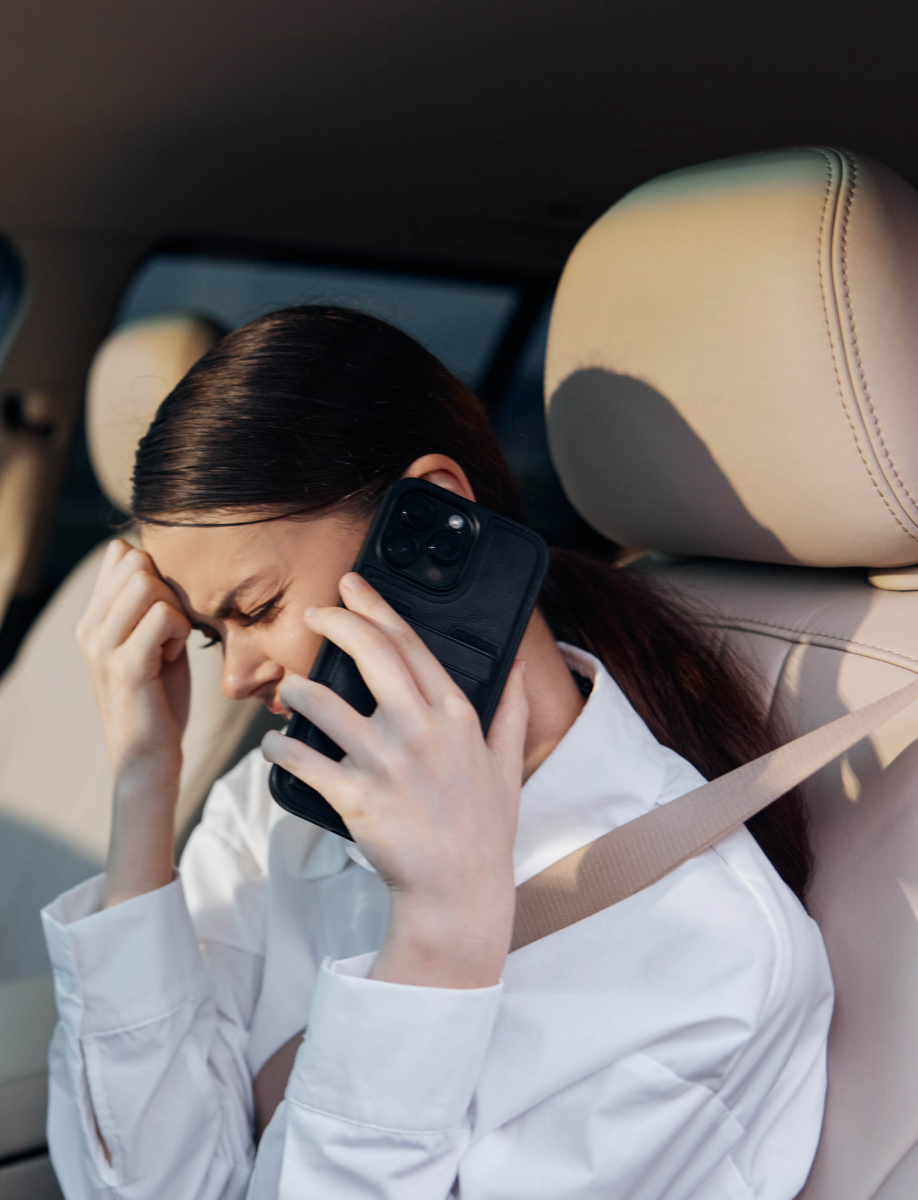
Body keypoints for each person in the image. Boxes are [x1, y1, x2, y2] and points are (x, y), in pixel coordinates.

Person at [45, 306, 833, 1199]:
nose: (235, 680)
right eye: (207, 636)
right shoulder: (277, 808)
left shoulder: (709, 955)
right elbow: (145, 1187)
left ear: (435, 525)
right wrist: (144, 783)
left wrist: (436, 943)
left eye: (256, 609)